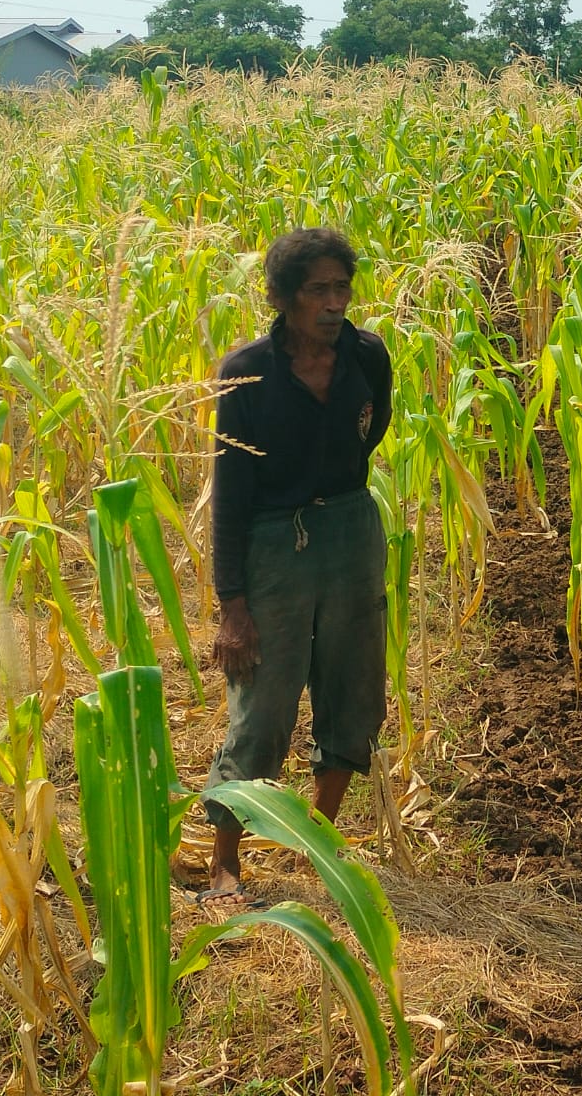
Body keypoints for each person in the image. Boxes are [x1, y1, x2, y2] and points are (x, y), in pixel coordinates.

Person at [197, 227, 393, 907]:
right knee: (262, 707)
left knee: (354, 690)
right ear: (282, 297)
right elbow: (230, 493)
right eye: (318, 290)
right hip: (275, 542)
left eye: (342, 288)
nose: (334, 303)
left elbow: (370, 432)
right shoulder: (247, 373)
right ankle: (225, 859)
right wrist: (233, 605)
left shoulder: (367, 355)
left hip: (350, 532)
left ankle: (319, 838)